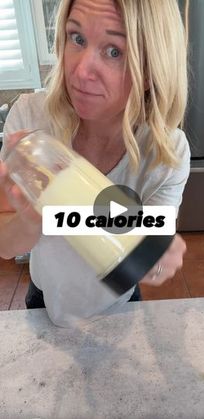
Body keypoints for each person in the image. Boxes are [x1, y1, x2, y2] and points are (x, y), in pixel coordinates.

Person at [0, 0, 190, 327]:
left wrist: (155, 257)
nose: (81, 70)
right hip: (44, 300)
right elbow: (5, 247)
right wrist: (33, 220)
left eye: (114, 51)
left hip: (120, 305)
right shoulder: (29, 120)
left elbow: (146, 248)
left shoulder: (165, 152)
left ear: (149, 71)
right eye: (77, 38)